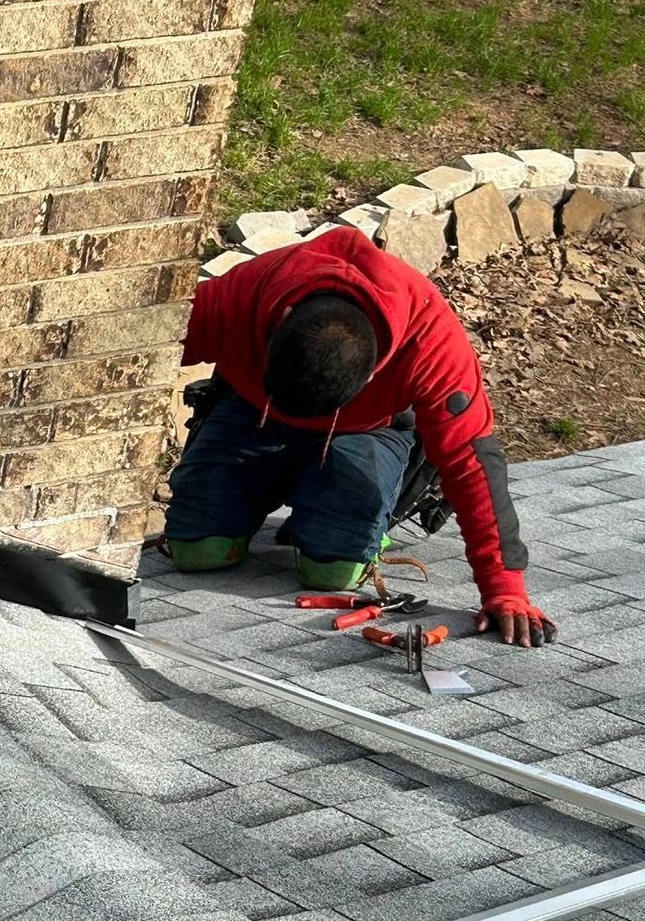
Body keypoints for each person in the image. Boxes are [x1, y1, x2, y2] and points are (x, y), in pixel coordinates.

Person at [165, 225, 556, 648]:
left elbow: (471, 462)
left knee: (330, 571)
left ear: (373, 373)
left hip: (365, 433)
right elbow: (125, 355)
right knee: (197, 551)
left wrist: (505, 588)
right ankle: (278, 491)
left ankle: (366, 513)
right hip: (252, 414)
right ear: (279, 322)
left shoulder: (431, 344)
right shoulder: (237, 296)